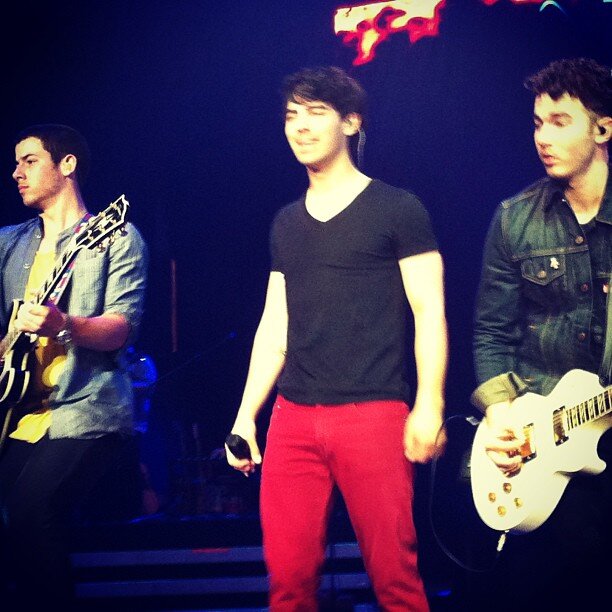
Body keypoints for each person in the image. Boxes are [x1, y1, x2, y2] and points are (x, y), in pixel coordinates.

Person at [226, 66, 448, 611]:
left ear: (351, 122)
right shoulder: (285, 222)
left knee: (395, 580)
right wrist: (245, 416)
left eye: (315, 113)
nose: (300, 126)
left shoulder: (397, 208)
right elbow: (274, 326)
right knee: (288, 584)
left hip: (372, 413)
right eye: (291, 115)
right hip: (294, 420)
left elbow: (429, 312)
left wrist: (429, 405)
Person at [470, 57, 612, 609]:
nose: (543, 137)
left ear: (603, 128)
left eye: (559, 121)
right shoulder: (515, 218)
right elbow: (491, 332)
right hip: (546, 443)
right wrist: (500, 415)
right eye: (537, 123)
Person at [0, 124, 148, 608]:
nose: (16, 172)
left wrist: (64, 324)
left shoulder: (115, 238)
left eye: (29, 161)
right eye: (16, 162)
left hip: (86, 408)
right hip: (17, 413)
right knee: (12, 521)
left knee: (31, 511)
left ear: (67, 165)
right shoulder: (9, 244)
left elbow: (121, 329)